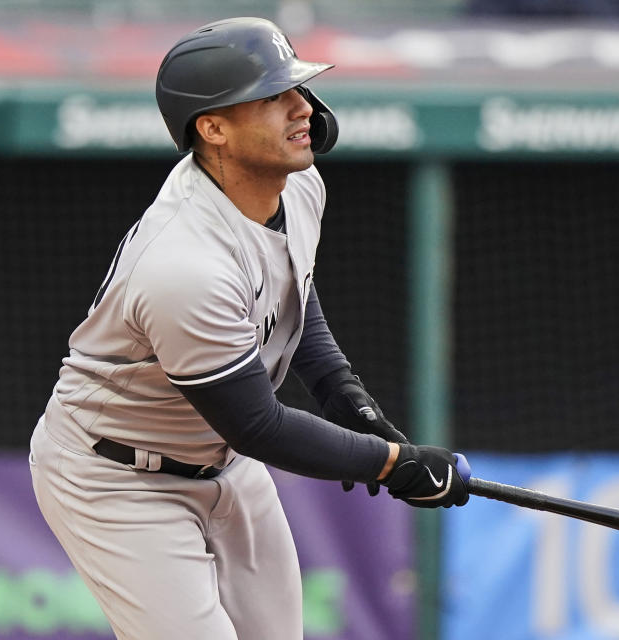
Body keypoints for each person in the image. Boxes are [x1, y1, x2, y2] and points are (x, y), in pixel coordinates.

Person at [28, 17, 468, 640]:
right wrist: (391, 463)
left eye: (300, 89)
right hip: (115, 475)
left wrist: (352, 404)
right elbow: (258, 424)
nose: (303, 109)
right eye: (273, 96)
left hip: (223, 461)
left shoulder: (300, 184)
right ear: (213, 129)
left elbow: (294, 298)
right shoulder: (184, 264)